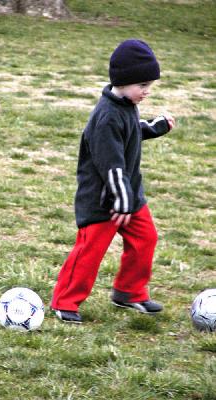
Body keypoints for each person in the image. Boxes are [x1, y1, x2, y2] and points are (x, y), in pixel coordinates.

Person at [51, 39, 175, 323]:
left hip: (127, 195)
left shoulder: (126, 104)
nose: (146, 91)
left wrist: (155, 127)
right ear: (123, 81)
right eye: (142, 85)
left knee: (146, 239)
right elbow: (112, 165)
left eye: (149, 86)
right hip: (103, 200)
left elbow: (131, 130)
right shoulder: (105, 118)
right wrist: (121, 201)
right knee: (89, 251)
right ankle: (65, 301)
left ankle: (128, 292)